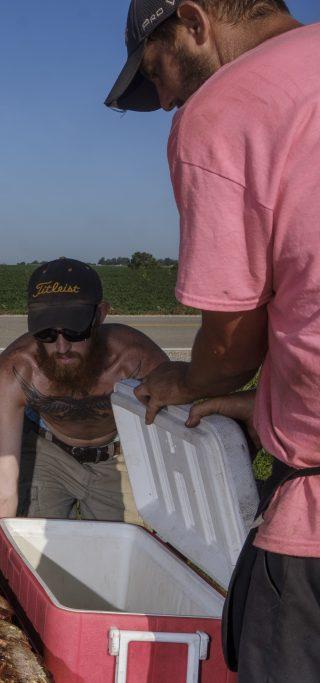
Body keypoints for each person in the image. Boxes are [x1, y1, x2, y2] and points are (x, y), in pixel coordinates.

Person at [104, 0, 318, 678]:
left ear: (194, 21)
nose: (164, 99)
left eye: (157, 70)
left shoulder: (227, 105)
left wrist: (191, 381)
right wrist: (267, 407)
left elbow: (232, 339)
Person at [0, 258, 168, 542]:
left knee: (122, 557)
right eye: (46, 333)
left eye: (75, 331)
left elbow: (172, 442)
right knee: (30, 550)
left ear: (100, 315)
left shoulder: (136, 360)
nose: (62, 347)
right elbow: (1, 484)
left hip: (119, 455)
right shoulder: (16, 370)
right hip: (48, 452)